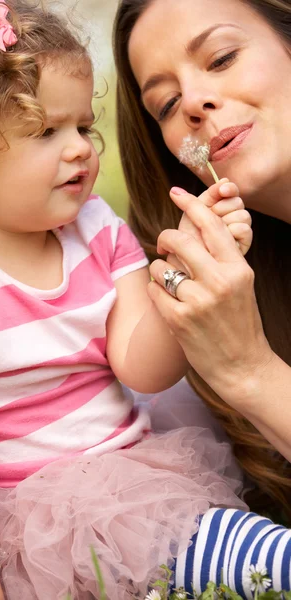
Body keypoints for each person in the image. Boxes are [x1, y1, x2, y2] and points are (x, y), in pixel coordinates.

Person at [0, 0, 277, 599]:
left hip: (130, 490)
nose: (80, 149)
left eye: (82, 127)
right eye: (46, 132)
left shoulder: (93, 225)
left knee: (254, 555)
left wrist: (191, 262)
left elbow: (141, 368)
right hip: (10, 522)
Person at [113, 0, 291, 593]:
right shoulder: (225, 288)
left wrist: (249, 370)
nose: (193, 102)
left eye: (221, 57)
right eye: (165, 104)